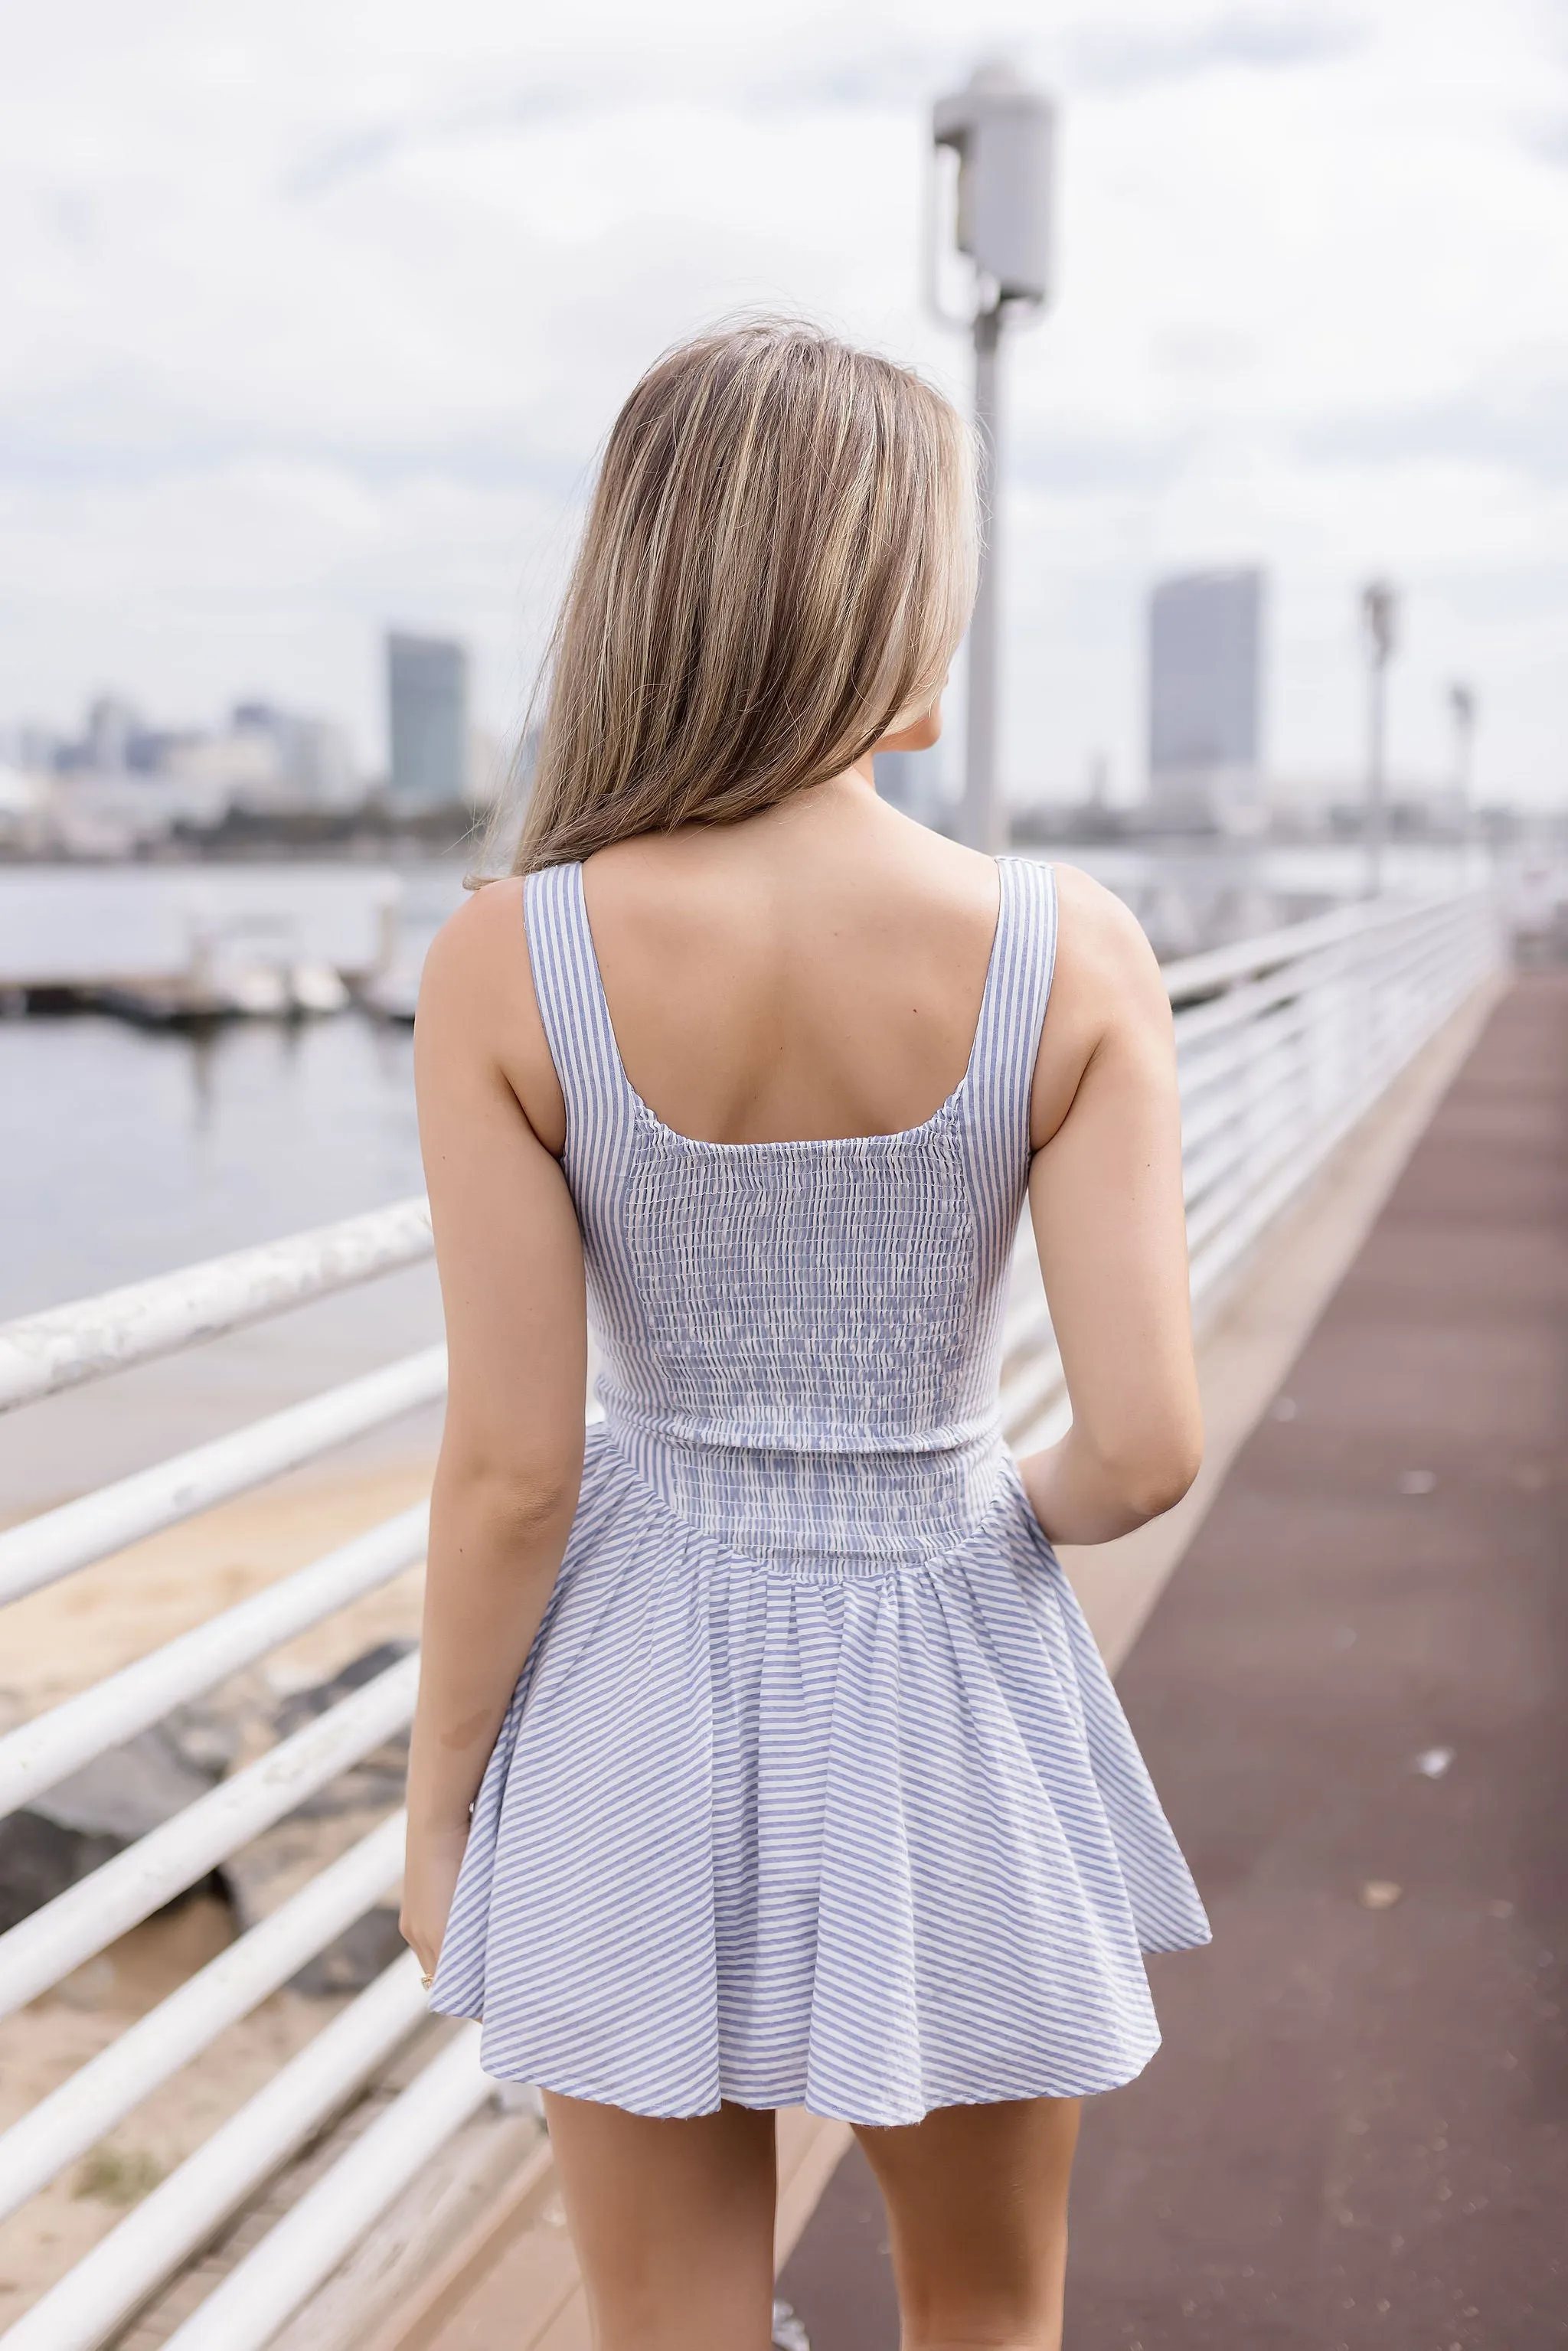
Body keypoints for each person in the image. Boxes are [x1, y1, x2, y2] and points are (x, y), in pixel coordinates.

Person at [401, 319, 1210, 2351]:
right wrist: (984, 1496)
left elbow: (512, 1468)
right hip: (953, 1660)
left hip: (632, 1679)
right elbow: (1148, 1444)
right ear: (899, 597)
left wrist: (437, 1809)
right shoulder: (1068, 951)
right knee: (985, 2312)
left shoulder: (512, 961)